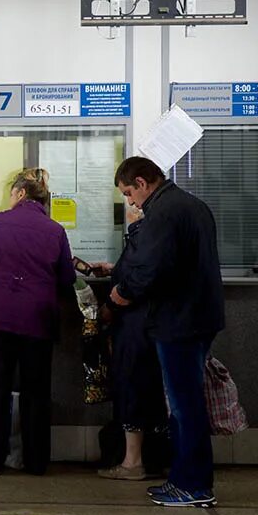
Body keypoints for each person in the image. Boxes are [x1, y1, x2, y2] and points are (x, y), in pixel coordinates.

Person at [109, 156, 224, 508]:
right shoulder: (192, 205)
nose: (131, 201)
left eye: (130, 193)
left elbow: (151, 267)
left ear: (143, 183)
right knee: (188, 403)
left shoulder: (162, 212)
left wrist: (122, 294)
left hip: (178, 321)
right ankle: (189, 479)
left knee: (183, 405)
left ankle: (191, 484)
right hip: (199, 316)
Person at [0, 168, 75, 476]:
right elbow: (66, 278)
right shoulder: (55, 230)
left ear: (20, 193)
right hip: (38, 319)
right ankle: (35, 462)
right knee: (36, 391)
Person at [95, 203, 168, 481]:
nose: (129, 205)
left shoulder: (144, 233)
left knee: (132, 387)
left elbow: (137, 278)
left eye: (129, 196)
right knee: (150, 391)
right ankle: (154, 458)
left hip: (135, 324)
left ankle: (132, 462)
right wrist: (114, 269)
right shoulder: (153, 236)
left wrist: (111, 303)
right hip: (150, 324)